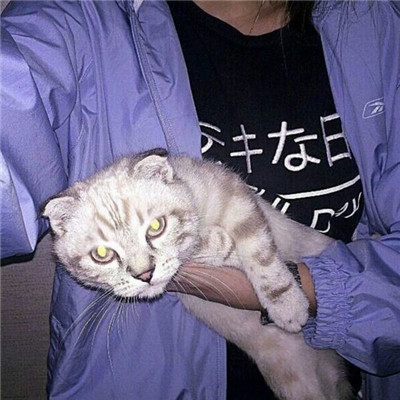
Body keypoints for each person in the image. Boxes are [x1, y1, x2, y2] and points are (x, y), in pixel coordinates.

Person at [1, 1, 399, 399]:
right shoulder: (77, 18)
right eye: (105, 254)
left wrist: (308, 289)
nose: (143, 272)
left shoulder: (377, 19)